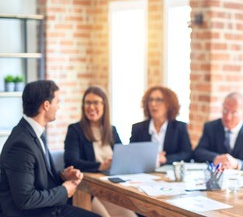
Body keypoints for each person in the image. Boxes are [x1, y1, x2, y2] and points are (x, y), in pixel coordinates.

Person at [0, 80, 99, 217]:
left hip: (47, 209)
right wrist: (64, 190)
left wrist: (63, 176)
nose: (58, 107)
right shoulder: (21, 144)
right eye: (57, 102)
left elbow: (36, 178)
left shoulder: (34, 133)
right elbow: (25, 199)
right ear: (46, 105)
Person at [64, 86, 136, 217]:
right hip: (88, 189)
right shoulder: (75, 130)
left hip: (111, 188)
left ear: (104, 106)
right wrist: (100, 166)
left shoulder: (112, 130)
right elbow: (71, 161)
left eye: (96, 102)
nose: (91, 107)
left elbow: (123, 155)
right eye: (88, 102)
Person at [194, 92, 243, 174]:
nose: (228, 117)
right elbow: (198, 153)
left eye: (234, 113)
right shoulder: (211, 127)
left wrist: (237, 164)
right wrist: (215, 158)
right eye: (225, 110)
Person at [130, 86, 192, 165]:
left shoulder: (179, 128)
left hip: (169, 173)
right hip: (144, 172)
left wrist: (166, 159)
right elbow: (131, 154)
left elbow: (187, 154)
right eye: (150, 100)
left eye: (159, 100)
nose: (153, 104)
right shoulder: (138, 128)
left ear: (169, 104)